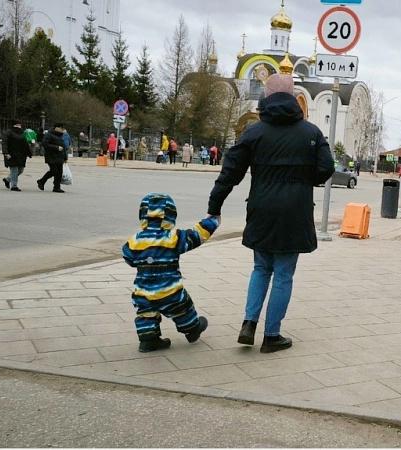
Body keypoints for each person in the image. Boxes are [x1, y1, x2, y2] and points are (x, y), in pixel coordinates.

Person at [208, 74, 334, 354]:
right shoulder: (311, 133)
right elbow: (326, 168)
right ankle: (272, 335)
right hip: (295, 212)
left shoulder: (254, 133)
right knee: (284, 274)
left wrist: (214, 207)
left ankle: (249, 323)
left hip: (261, 208)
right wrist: (304, 180)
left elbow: (230, 173)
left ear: (266, 96)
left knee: (260, 267)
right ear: (293, 97)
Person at [122, 193, 218, 353]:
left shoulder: (135, 240)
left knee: (146, 314)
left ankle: (148, 340)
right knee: (183, 308)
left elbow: (128, 256)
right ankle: (192, 329)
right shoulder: (173, 238)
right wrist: (212, 222)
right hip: (169, 290)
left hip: (144, 291)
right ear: (170, 215)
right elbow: (196, 236)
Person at [1, 120, 32, 192]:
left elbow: (25, 144)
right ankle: (14, 185)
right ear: (13, 125)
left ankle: (7, 179)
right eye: (17, 125)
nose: (18, 126)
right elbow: (4, 143)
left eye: (19, 125)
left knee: (21, 170)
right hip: (12, 154)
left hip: (21, 155)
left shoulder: (22, 133)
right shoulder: (8, 132)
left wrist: (29, 153)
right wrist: (5, 152)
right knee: (14, 170)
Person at [37, 123, 68, 193]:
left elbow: (63, 147)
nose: (62, 130)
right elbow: (44, 144)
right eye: (61, 128)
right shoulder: (49, 134)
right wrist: (56, 147)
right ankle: (42, 181)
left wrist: (65, 157)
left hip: (59, 156)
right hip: (51, 156)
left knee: (59, 172)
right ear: (56, 128)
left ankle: (57, 187)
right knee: (54, 171)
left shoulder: (61, 136)